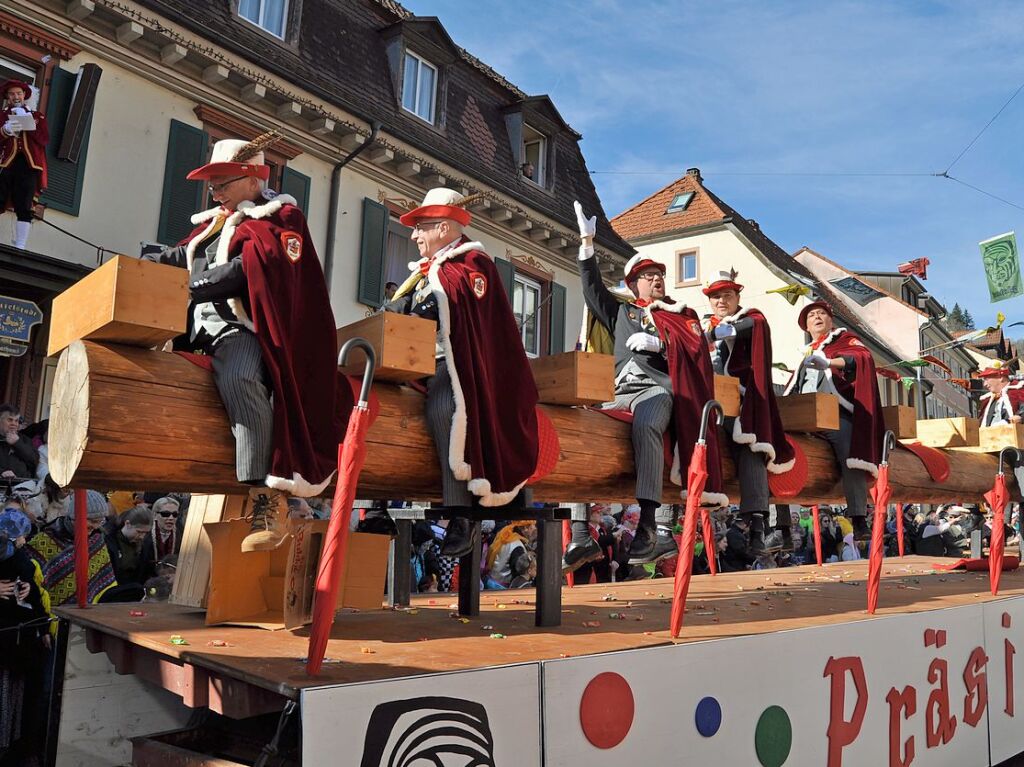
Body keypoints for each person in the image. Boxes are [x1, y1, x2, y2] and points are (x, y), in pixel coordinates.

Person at [143, 133, 346, 552]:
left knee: (240, 376)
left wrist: (189, 285)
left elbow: (249, 270)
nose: (214, 191)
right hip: (189, 332)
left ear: (253, 179)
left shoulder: (281, 219)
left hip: (240, 329)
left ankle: (266, 498)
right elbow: (175, 257)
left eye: (223, 182)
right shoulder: (211, 226)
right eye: (213, 184)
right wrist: (141, 265)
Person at [567, 200, 727, 571]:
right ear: (633, 284)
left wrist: (662, 343)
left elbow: (696, 347)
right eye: (648, 275)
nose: (656, 280)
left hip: (658, 390)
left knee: (648, 423)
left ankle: (649, 526)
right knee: (579, 427)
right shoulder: (623, 312)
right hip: (617, 390)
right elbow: (592, 291)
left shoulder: (681, 315)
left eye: (659, 275)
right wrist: (587, 242)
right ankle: (579, 532)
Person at [384, 188, 542, 557]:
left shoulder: (472, 264)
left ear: (442, 228)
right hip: (413, 362)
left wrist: (426, 306)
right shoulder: (426, 273)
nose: (413, 235)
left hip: (459, 365)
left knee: (444, 406)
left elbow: (454, 309)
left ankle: (461, 513)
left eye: (420, 227)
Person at [703, 269, 794, 554]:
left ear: (737, 298)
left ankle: (759, 522)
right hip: (705, 398)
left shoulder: (751, 318)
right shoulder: (704, 325)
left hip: (741, 400)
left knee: (750, 445)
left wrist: (716, 332)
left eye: (727, 295)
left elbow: (752, 326)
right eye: (716, 296)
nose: (721, 301)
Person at [782, 300, 883, 541]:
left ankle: (858, 518)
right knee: (778, 451)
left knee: (850, 453)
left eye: (821, 314)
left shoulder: (843, 340)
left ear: (830, 320)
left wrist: (830, 362)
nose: (816, 317)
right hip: (803, 415)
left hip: (834, 414)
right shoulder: (805, 354)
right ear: (806, 327)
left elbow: (861, 358)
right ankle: (782, 527)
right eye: (811, 316)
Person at [38, 490, 117, 606]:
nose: (95, 526)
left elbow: (102, 578)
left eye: (100, 521)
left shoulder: (97, 540)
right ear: (74, 517)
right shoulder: (45, 540)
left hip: (88, 611)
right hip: (52, 610)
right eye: (92, 521)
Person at [0, 79, 48, 250]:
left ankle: (20, 245)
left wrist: (30, 125)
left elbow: (44, 140)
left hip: (29, 166)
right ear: (7, 96)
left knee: (24, 204)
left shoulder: (37, 116)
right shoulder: (1, 116)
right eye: (12, 94)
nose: (16, 96)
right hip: (6, 163)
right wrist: (4, 131)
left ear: (24, 96)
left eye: (19, 93)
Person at [105, 506, 156, 587]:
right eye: (139, 532)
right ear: (127, 524)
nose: (142, 536)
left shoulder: (146, 544)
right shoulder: (108, 541)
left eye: (145, 533)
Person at [978, 361, 1024, 426]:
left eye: (987, 379)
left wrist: (1019, 418)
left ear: (1000, 377)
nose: (985, 384)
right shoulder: (988, 401)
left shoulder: (1018, 391)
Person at [0, 404, 37, 480]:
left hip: (22, 486)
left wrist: (17, 443)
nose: (14, 424)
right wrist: (1, 472)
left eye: (16, 420)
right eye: (10, 420)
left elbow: (34, 461)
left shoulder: (25, 440)